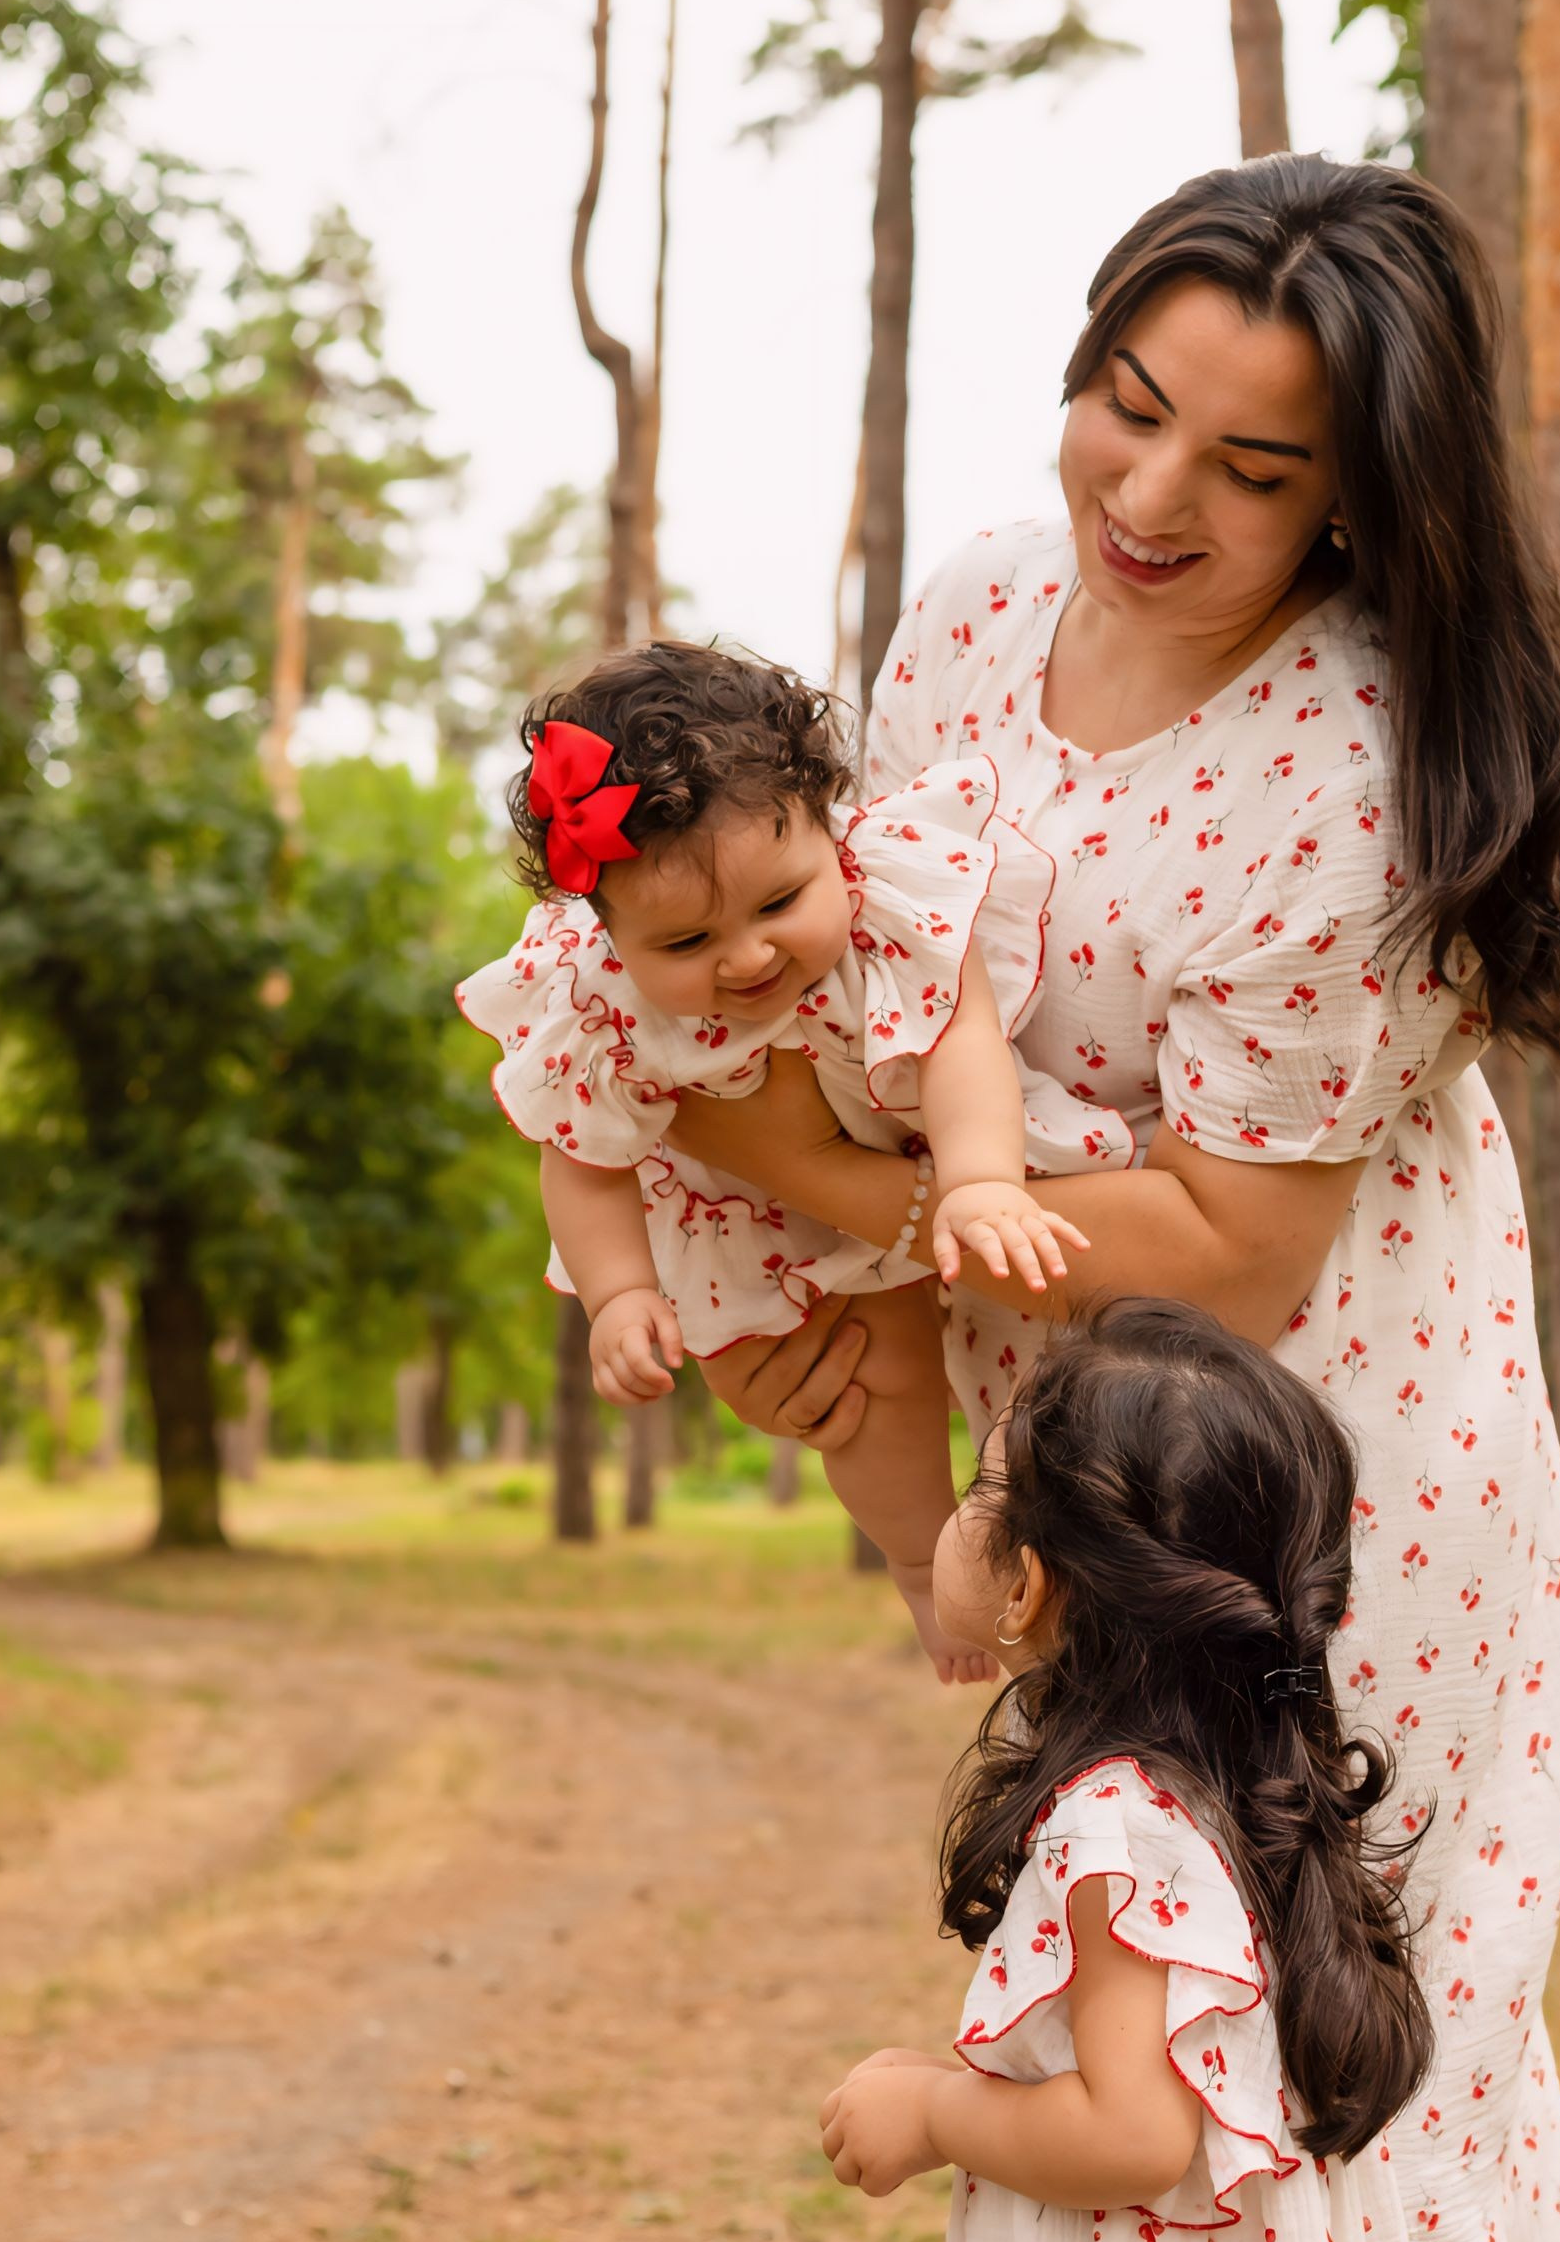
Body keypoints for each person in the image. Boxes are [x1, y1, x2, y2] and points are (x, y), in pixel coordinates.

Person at [669, 155, 1560, 2242]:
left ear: (1359, 504)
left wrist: (824, 1203)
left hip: (1327, 1501)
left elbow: (1238, 1247)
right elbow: (881, 980)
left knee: (1284, 2091)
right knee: (1115, 2046)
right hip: (1079, 1441)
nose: (1151, 492)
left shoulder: (1360, 773)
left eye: (1254, 466)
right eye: (1125, 403)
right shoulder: (980, 614)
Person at [823, 1298, 1493, 2242]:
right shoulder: (1237, 1787)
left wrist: (934, 2112)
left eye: (983, 1489)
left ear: (1028, 1584)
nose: (958, 1516)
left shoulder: (1118, 1824)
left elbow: (1136, 2130)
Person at [458, 641, 1118, 1674]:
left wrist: (982, 1178)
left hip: (912, 1147)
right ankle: (915, 1563)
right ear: (610, 934)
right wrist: (620, 1294)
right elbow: (581, 1157)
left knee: (1008, 1329)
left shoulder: (890, 906)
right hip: (746, 1221)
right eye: (685, 945)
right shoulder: (605, 1010)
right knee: (874, 1382)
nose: (750, 956)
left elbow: (959, 1037)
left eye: (779, 903)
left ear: (827, 826)